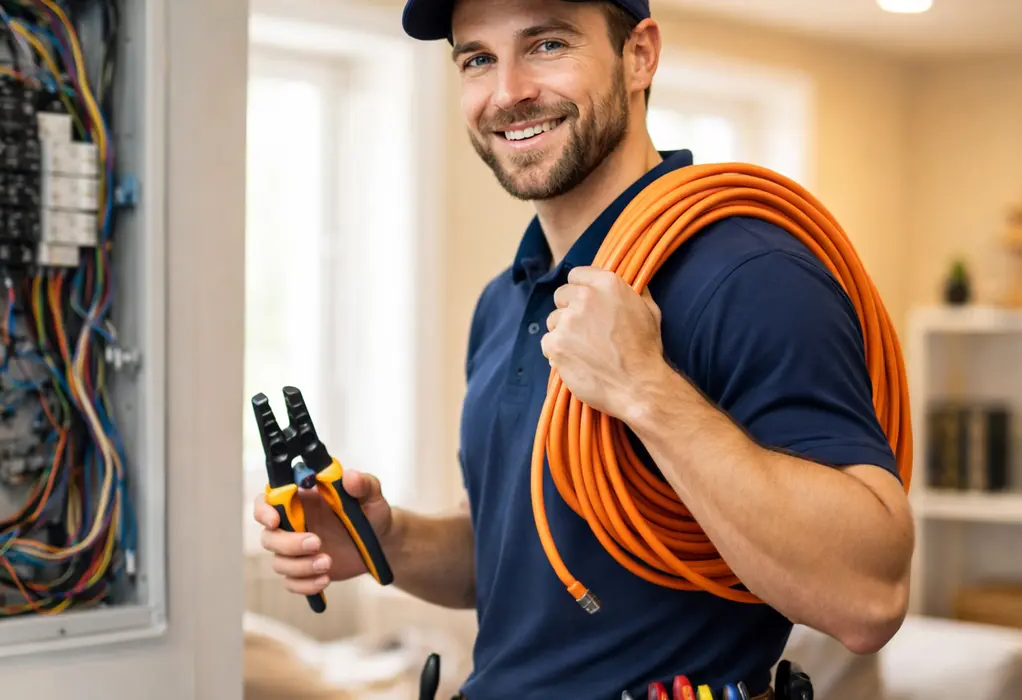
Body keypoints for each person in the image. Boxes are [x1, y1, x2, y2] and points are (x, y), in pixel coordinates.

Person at [251, 0, 916, 697]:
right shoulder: (506, 299)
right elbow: (517, 558)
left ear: (640, 56)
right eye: (478, 58)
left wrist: (645, 389)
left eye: (546, 45)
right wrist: (385, 539)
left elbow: (867, 599)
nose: (507, 93)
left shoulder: (748, 275)